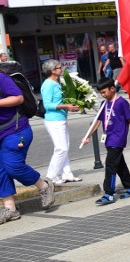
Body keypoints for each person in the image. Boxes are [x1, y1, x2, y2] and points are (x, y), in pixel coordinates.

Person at [0, 69, 55, 224]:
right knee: (1, 171)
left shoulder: (1, 78)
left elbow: (18, 98)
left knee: (13, 166)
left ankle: (44, 186)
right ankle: (10, 209)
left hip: (15, 130)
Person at [81, 78, 130, 205]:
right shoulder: (104, 104)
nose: (102, 95)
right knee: (119, 165)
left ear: (112, 89)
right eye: (101, 93)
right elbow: (98, 121)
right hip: (108, 138)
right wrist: (88, 136)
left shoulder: (121, 103)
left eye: (104, 92)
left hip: (118, 138)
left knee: (110, 165)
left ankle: (108, 193)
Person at [40, 59, 81, 184]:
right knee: (61, 148)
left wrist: (69, 106)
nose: (61, 69)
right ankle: (50, 177)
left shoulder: (56, 83)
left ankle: (66, 174)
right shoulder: (48, 84)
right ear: (52, 71)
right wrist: (66, 106)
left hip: (60, 119)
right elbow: (47, 105)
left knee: (64, 147)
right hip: (54, 120)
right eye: (59, 67)